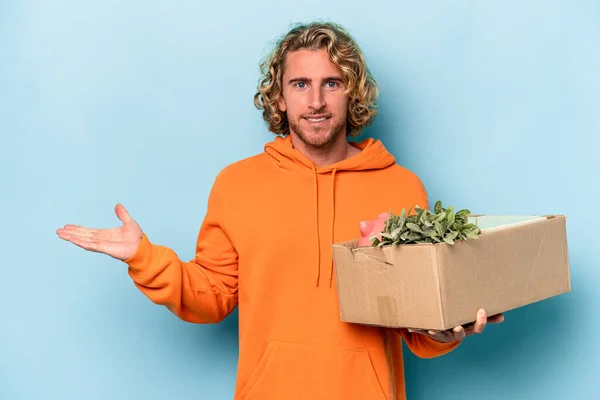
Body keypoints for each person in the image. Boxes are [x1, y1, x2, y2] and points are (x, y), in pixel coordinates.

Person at [57, 21, 504, 400]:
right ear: (279, 97)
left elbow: (416, 323)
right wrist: (144, 258)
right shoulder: (236, 184)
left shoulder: (401, 187)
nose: (315, 102)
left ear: (352, 93)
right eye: (300, 84)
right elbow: (211, 296)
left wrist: (443, 332)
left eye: (332, 83)